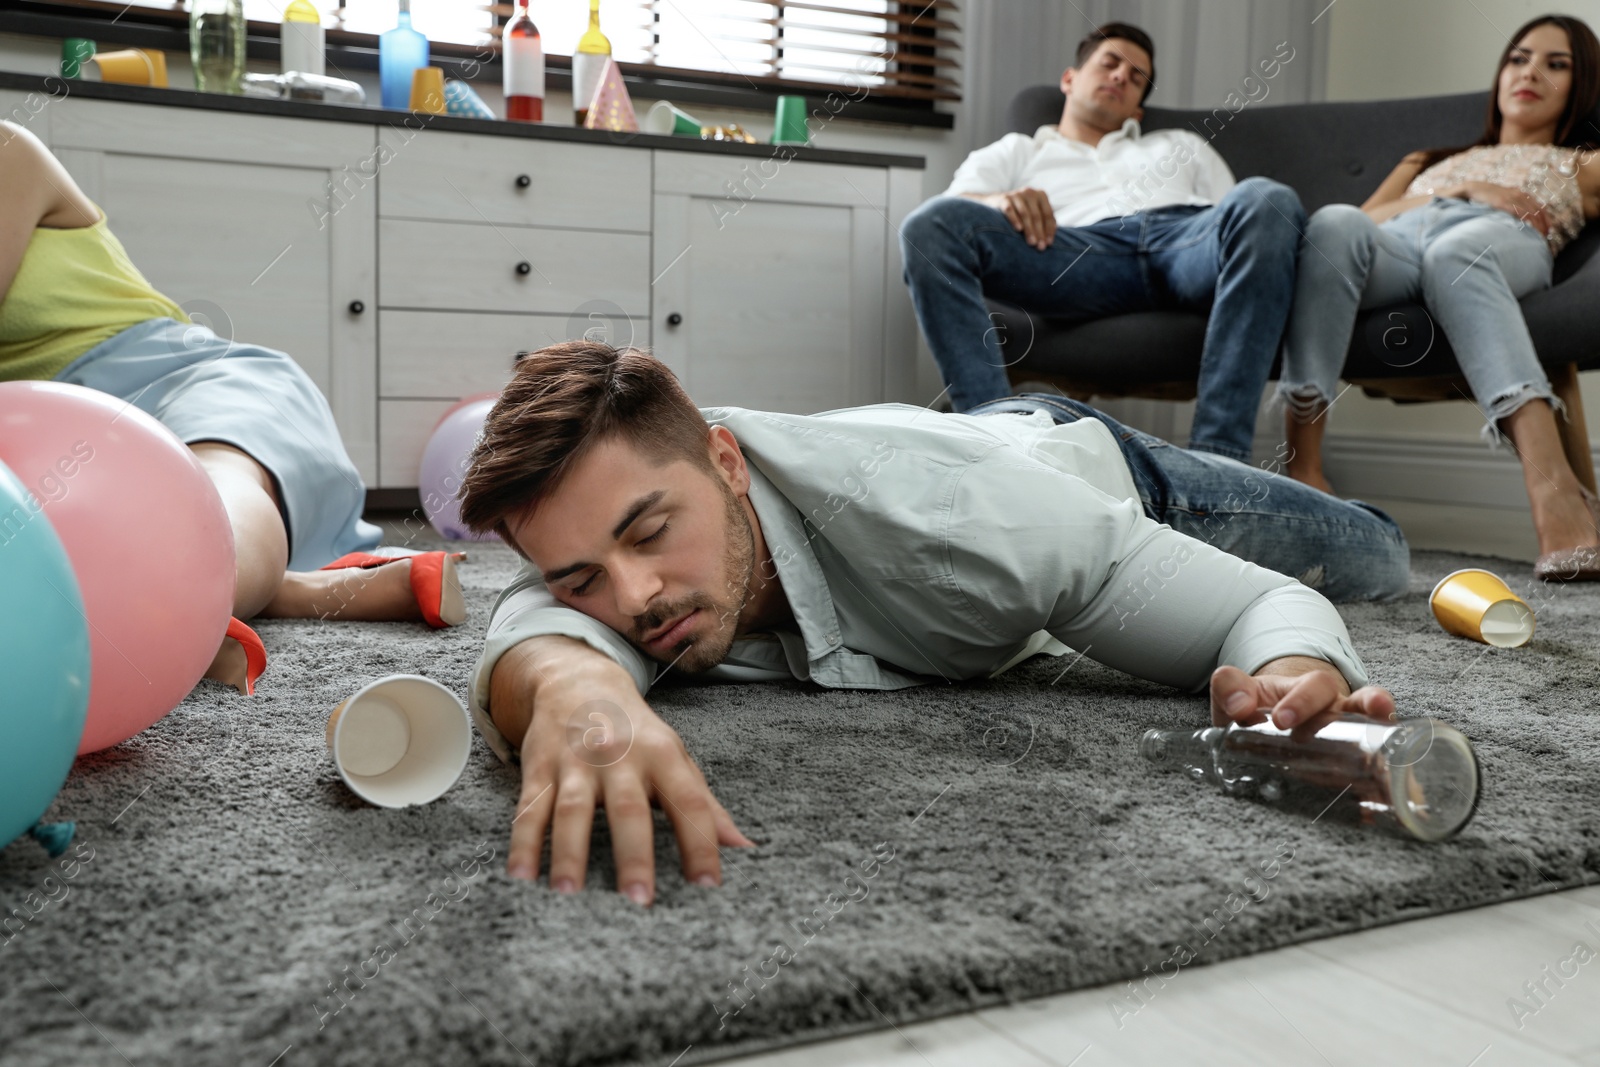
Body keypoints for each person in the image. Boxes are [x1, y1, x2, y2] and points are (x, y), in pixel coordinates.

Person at [455, 341, 1409, 905]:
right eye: (583, 575)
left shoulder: (972, 525)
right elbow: (535, 630)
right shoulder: (614, 578)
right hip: (972, 435)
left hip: (1098, 471)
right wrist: (575, 684)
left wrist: (1286, 669)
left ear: (726, 462)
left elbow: (1255, 603)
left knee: (1376, 556)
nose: (635, 600)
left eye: (653, 532)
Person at [0, 121, 466, 696]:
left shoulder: (8, 151)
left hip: (178, 378)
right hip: (48, 452)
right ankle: (285, 592)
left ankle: (182, 601)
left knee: (212, 481)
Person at [1278, 15, 1600, 581]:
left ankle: (1556, 494)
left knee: (1457, 253)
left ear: (1582, 85)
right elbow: (1364, 218)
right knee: (1331, 224)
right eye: (1519, 58)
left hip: (1496, 244)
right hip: (1401, 243)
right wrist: (1464, 186)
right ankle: (1304, 466)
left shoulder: (1581, 162)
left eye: (1557, 64)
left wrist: (1486, 204)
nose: (1530, 72)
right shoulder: (1426, 160)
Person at [899, 21, 1305, 462]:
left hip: (1185, 241)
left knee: (1269, 198)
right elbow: (951, 212)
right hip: (1072, 253)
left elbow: (1245, 225)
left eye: (1136, 79)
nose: (1120, 78)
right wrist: (1001, 200)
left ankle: (1218, 462)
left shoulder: (1182, 143)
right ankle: (999, 446)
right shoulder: (1018, 151)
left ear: (1137, 111)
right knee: (928, 227)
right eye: (1110, 63)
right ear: (1069, 79)